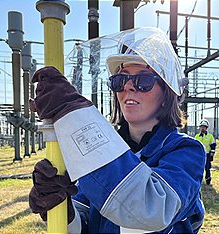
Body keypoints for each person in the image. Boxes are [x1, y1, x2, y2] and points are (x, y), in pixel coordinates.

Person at [29, 27, 206, 233]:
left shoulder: (186, 151)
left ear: (167, 92)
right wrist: (65, 210)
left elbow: (151, 210)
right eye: (120, 80)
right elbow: (86, 224)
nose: (128, 87)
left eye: (143, 81)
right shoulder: (106, 153)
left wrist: (73, 115)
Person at [194, 119, 216, 186]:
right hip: (199, 155)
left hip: (207, 154)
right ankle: (198, 180)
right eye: (201, 127)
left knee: (207, 168)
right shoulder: (197, 136)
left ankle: (208, 179)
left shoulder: (210, 136)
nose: (202, 128)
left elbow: (213, 145)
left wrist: (212, 154)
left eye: (204, 127)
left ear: (206, 128)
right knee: (198, 168)